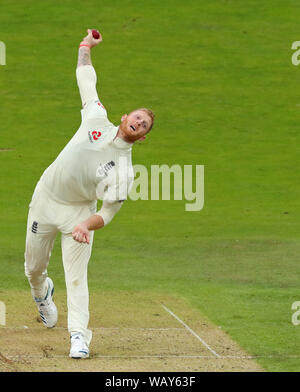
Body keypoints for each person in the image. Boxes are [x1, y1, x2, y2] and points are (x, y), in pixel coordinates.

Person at [24, 29, 154, 359]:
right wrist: (86, 46)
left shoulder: (125, 172)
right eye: (137, 116)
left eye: (144, 125)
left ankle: (79, 336)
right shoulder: (95, 117)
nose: (138, 122)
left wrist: (86, 225)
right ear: (125, 117)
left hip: (79, 214)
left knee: (77, 277)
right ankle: (43, 295)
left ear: (141, 138)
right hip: (45, 199)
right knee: (33, 269)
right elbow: (85, 77)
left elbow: (108, 212)